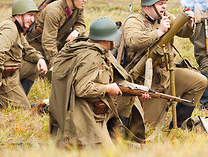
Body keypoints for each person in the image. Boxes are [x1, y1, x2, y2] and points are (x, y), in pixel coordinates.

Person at [49, 17, 150, 148]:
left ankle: (114, 135)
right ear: (106, 39)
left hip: (85, 107)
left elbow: (114, 77)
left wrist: (135, 88)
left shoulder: (98, 50)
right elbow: (82, 88)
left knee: (130, 98)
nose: (115, 40)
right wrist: (107, 88)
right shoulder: (92, 57)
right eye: (113, 36)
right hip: (81, 115)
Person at [122, 0, 207, 128]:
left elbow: (183, 33)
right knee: (147, 126)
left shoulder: (166, 17)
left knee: (199, 81)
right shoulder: (133, 21)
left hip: (167, 74)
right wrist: (158, 32)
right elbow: (132, 41)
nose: (164, 7)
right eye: (160, 4)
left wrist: (189, 24)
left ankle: (179, 124)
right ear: (148, 6)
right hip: (146, 80)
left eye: (165, 3)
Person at [20, 0, 88, 95]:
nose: (85, 0)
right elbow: (48, 41)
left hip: (58, 39)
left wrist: (76, 32)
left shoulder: (78, 8)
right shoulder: (54, 11)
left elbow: (81, 24)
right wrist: (55, 65)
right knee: (37, 67)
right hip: (38, 44)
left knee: (84, 40)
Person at [0, 0, 48, 109]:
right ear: (18, 14)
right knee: (25, 110)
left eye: (33, 16)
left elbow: (27, 48)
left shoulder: (16, 27)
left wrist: (40, 58)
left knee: (34, 66)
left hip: (14, 71)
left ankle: (20, 96)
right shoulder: (10, 28)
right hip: (5, 78)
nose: (32, 19)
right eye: (30, 15)